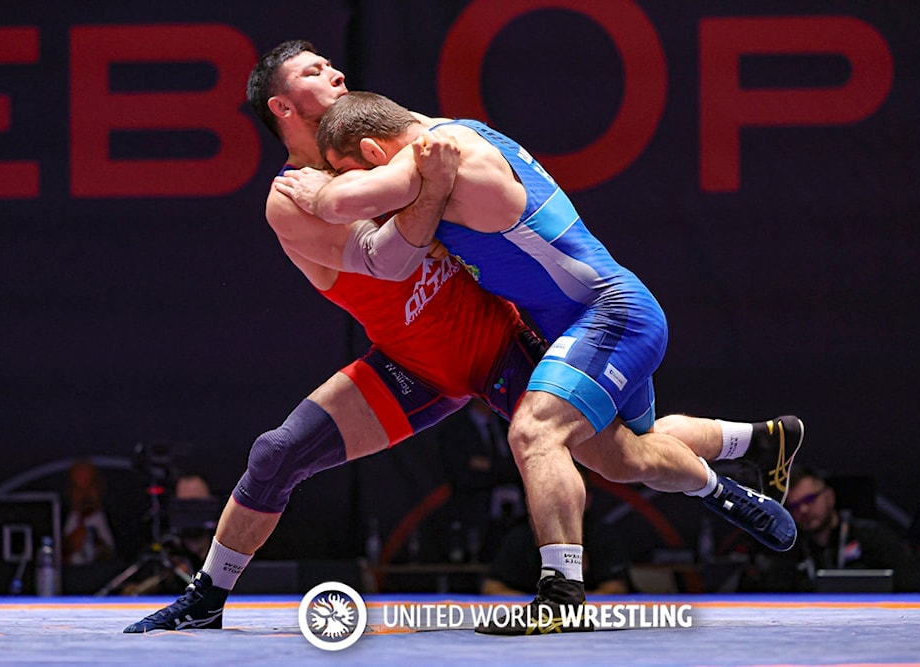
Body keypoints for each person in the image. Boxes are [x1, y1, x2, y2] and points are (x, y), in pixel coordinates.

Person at [274, 91, 804, 633]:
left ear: (372, 150)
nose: (341, 181)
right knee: (623, 455)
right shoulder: (448, 137)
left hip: (609, 314)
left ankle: (562, 596)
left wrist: (317, 190)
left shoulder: (441, 150)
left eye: (345, 169)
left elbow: (342, 206)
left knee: (535, 433)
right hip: (582, 321)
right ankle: (755, 444)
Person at [123, 39, 547, 633]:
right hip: (412, 368)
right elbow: (388, 260)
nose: (336, 72)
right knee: (276, 454)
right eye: (314, 71)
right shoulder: (290, 199)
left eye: (331, 63)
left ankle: (724, 476)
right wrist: (422, 186)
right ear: (282, 107)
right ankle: (205, 597)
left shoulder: (376, 141)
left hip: (496, 336)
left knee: (619, 446)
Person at [738, 467, 915, 592]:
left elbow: (907, 583)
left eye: (809, 500)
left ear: (829, 496)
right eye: (795, 506)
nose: (804, 510)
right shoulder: (786, 551)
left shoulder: (873, 537)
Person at [482, 468, 630, 596]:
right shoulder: (520, 536)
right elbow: (492, 587)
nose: (563, 503)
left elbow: (616, 587)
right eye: (557, 495)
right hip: (537, 611)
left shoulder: (601, 535)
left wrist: (570, 602)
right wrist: (539, 605)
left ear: (586, 499)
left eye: (570, 496)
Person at [436, 399, 525, 563]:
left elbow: (523, 465)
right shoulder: (455, 430)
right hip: (477, 518)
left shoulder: (510, 424)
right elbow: (462, 477)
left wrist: (488, 465)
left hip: (518, 518)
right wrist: (503, 467)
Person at [62, 460, 117, 566]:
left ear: (100, 487)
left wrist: (98, 546)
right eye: (78, 488)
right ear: (69, 491)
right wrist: (68, 546)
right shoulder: (54, 520)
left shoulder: (121, 521)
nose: (85, 495)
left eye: (90, 486)